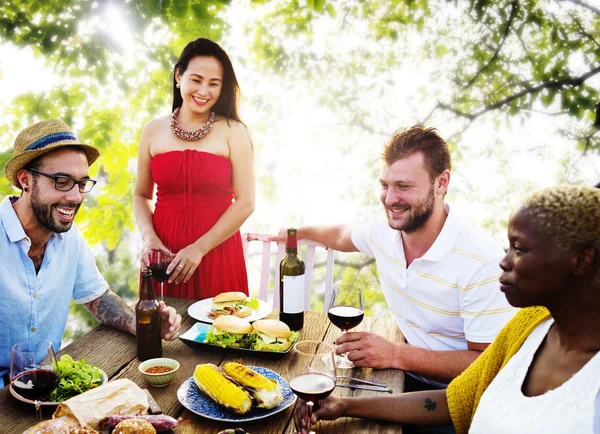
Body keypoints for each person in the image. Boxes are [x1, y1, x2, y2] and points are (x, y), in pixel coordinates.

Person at [294, 185, 600, 434]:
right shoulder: (530, 325)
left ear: (582, 260)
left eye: (519, 249)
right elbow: (452, 401)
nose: (504, 262)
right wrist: (344, 406)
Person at [275, 127, 515, 407]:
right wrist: (293, 232)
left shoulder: (481, 261)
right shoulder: (384, 232)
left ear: (441, 183)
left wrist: (397, 355)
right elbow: (341, 235)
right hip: (400, 379)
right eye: (385, 185)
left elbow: (490, 365)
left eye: (404, 186)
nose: (389, 199)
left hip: (464, 401)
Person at [0, 119, 182, 388]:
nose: (75, 197)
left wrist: (142, 324)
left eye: (82, 183)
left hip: (47, 383)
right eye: (62, 182)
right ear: (25, 180)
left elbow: (98, 298)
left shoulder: (69, 238)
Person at [133, 37, 255, 300]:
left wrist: (199, 249)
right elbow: (141, 195)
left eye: (214, 84)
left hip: (217, 253)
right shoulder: (153, 130)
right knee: (160, 334)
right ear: (179, 76)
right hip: (164, 257)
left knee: (221, 331)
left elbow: (245, 203)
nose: (204, 91)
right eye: (196, 80)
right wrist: (149, 239)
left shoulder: (235, 131)